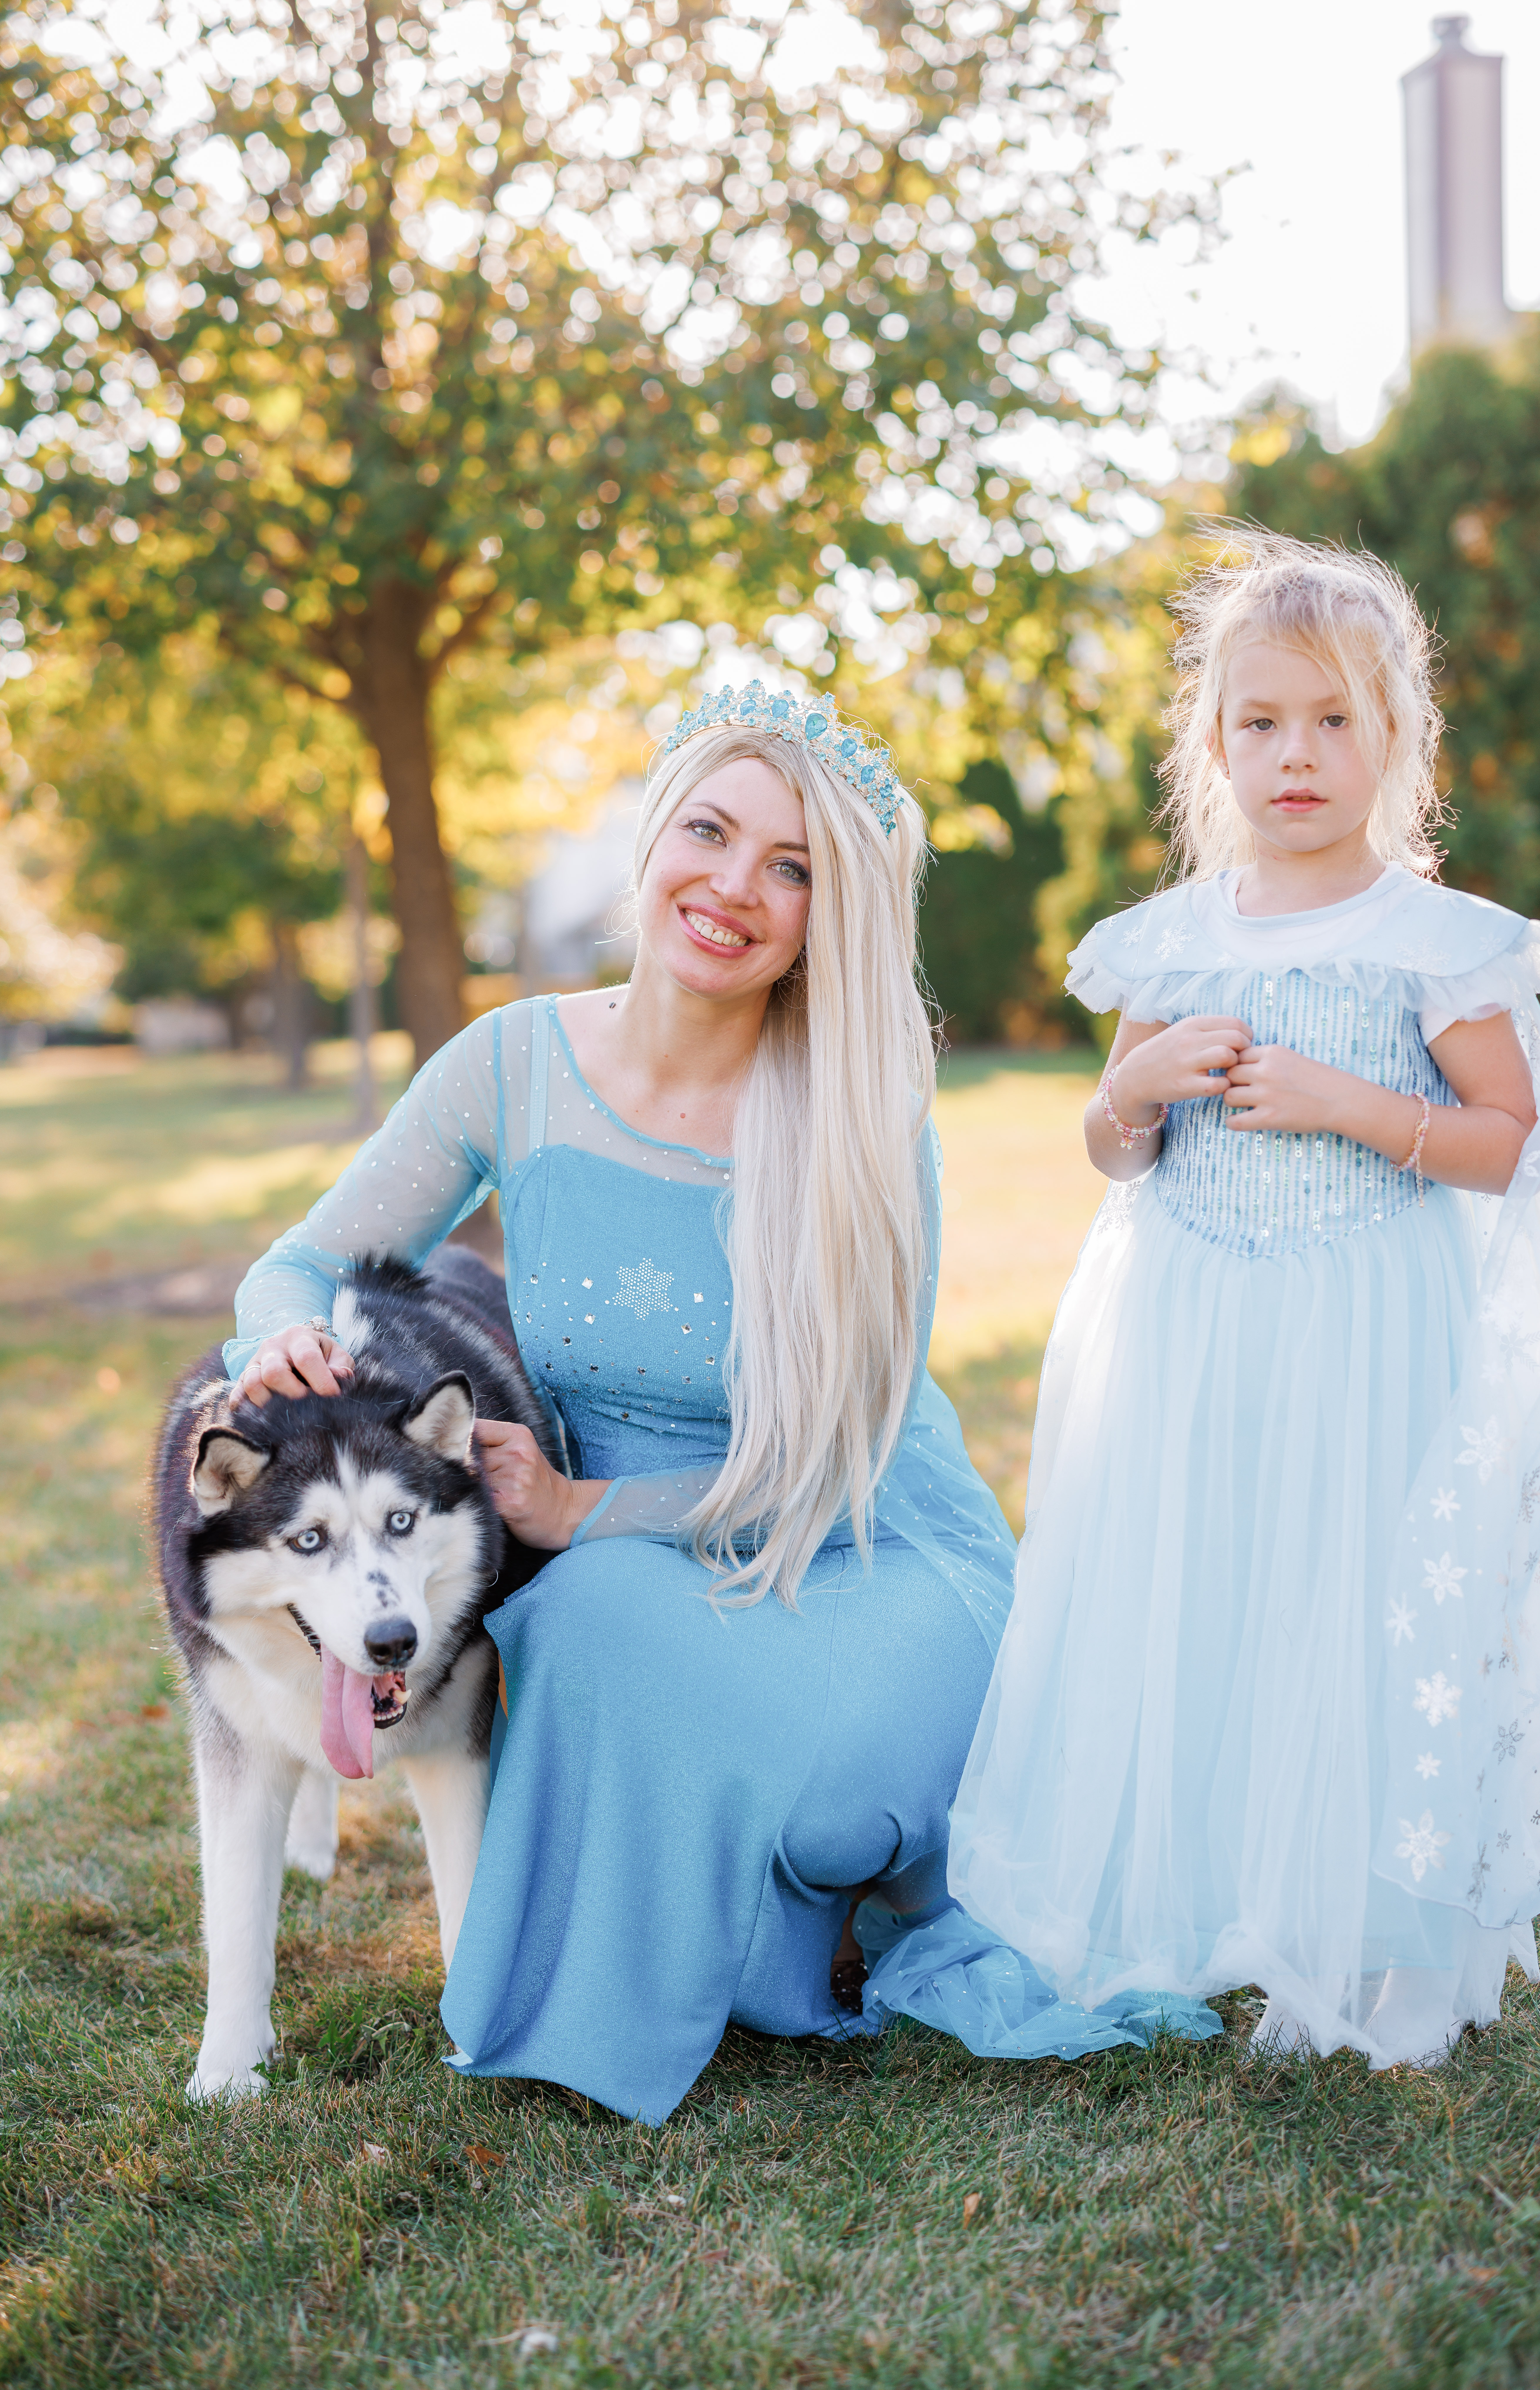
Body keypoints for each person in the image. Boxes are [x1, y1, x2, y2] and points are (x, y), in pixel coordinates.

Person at [221, 680, 1017, 2123]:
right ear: (654, 839)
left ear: (827, 919)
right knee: (587, 1618)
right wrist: (274, 1339)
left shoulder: (858, 1111)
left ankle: (812, 1892)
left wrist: (586, 1505)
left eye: (793, 868)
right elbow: (301, 1258)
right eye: (709, 832)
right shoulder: (515, 1062)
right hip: (631, 1566)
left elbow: (841, 1448)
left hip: (860, 1534)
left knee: (834, 1796)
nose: (735, 886)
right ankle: (716, 1940)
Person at [878, 529, 1540, 2071]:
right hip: (1195, 1331)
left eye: (1334, 720)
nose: (1295, 755)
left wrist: (1351, 1101)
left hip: (1366, 1330)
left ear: (1395, 742)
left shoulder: (1432, 944)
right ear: (1213, 746)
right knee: (1205, 1600)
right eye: (1260, 723)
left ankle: (1367, 1935)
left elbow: (1508, 1144)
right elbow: (1109, 1147)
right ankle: (1210, 1899)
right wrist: (1131, 1081)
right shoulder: (1174, 939)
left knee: (1348, 1608)